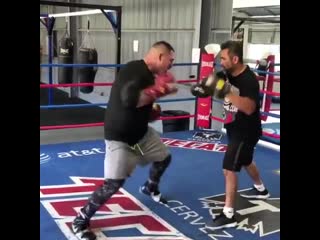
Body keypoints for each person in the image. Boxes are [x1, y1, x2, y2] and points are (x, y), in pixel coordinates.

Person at [71, 41, 177, 240]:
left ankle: (150, 187)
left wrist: (153, 111)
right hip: (119, 138)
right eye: (170, 60)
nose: (171, 65)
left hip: (141, 134)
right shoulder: (133, 70)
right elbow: (130, 100)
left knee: (164, 157)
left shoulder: (151, 76)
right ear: (160, 57)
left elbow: (141, 107)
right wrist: (159, 91)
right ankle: (80, 221)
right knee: (113, 184)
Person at [191, 40, 270, 230]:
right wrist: (203, 87)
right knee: (245, 160)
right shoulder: (227, 72)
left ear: (235, 59)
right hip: (235, 126)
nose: (221, 61)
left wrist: (225, 91)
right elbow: (213, 81)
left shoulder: (249, 80)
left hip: (246, 130)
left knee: (229, 167)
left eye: (224, 58)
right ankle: (261, 189)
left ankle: (228, 214)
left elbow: (250, 108)